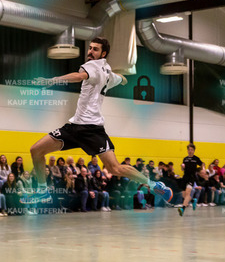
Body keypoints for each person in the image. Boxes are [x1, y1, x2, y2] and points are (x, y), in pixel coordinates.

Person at [28, 37, 172, 205]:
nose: (90, 51)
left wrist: (52, 80)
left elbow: (79, 76)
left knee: (115, 168)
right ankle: (42, 191)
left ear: (103, 54)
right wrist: (123, 79)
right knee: (36, 150)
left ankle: (154, 185)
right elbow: (120, 78)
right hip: (74, 127)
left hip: (92, 130)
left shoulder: (92, 66)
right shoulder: (107, 71)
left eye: (95, 49)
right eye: (90, 48)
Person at [177, 143, 204, 216]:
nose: (190, 151)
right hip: (185, 177)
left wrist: (202, 170)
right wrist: (182, 167)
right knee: (184, 195)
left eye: (191, 150)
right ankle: (193, 200)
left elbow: (202, 164)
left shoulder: (196, 159)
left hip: (191, 178)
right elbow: (182, 169)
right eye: (189, 149)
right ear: (187, 150)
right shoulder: (185, 159)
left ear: (194, 151)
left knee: (188, 193)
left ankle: (182, 209)